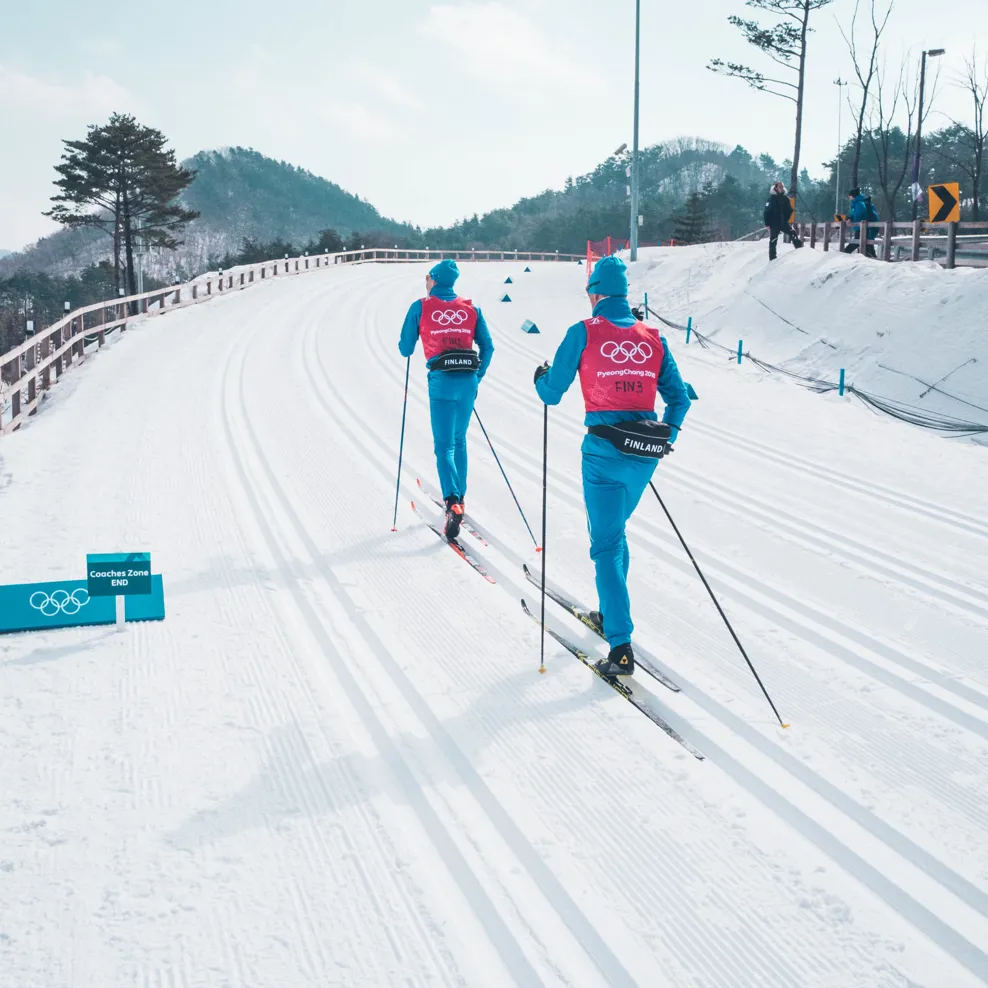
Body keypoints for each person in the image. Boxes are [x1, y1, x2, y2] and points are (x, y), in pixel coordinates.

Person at [533, 255, 691, 677]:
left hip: (603, 454)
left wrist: (539, 378)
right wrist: (663, 438)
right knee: (615, 536)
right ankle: (607, 609)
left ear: (596, 293)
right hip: (643, 458)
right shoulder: (653, 338)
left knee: (604, 546)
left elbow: (551, 393)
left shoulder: (583, 332)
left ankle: (620, 645)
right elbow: (680, 398)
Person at [399, 259, 494, 540]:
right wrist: (478, 376)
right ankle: (460, 498)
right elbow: (488, 346)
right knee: (459, 440)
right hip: (467, 381)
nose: (425, 282)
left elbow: (405, 348)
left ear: (435, 280)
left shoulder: (421, 306)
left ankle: (452, 502)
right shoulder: (471, 308)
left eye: (428, 277)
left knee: (443, 446)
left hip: (441, 380)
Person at [763, 181, 802, 260]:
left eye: (782, 187)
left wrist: (785, 218)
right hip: (773, 224)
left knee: (793, 232)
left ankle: (799, 249)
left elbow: (790, 210)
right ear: (776, 188)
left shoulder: (785, 199)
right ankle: (772, 257)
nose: (781, 188)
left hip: (783, 222)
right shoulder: (771, 199)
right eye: (780, 187)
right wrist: (767, 223)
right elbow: (766, 212)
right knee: (773, 240)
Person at [843, 188, 879, 258]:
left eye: (850, 195)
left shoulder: (859, 204)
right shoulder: (860, 203)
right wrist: (849, 218)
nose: (849, 197)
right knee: (868, 244)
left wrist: (850, 219)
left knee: (857, 242)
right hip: (867, 228)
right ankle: (873, 258)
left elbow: (859, 215)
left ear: (853, 196)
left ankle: (844, 254)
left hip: (863, 228)